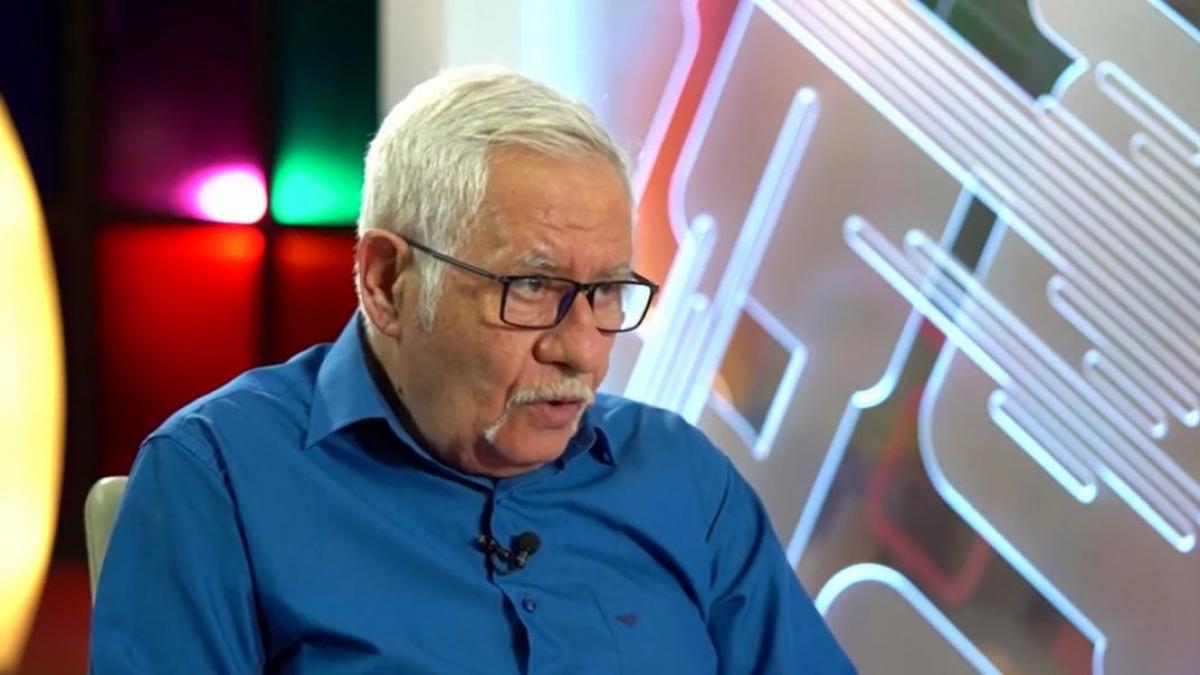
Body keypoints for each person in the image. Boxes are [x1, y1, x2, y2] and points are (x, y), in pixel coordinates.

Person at [90, 66, 855, 674]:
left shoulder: (683, 477)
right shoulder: (220, 478)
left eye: (606, 292)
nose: (584, 350)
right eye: (534, 286)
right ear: (388, 282)